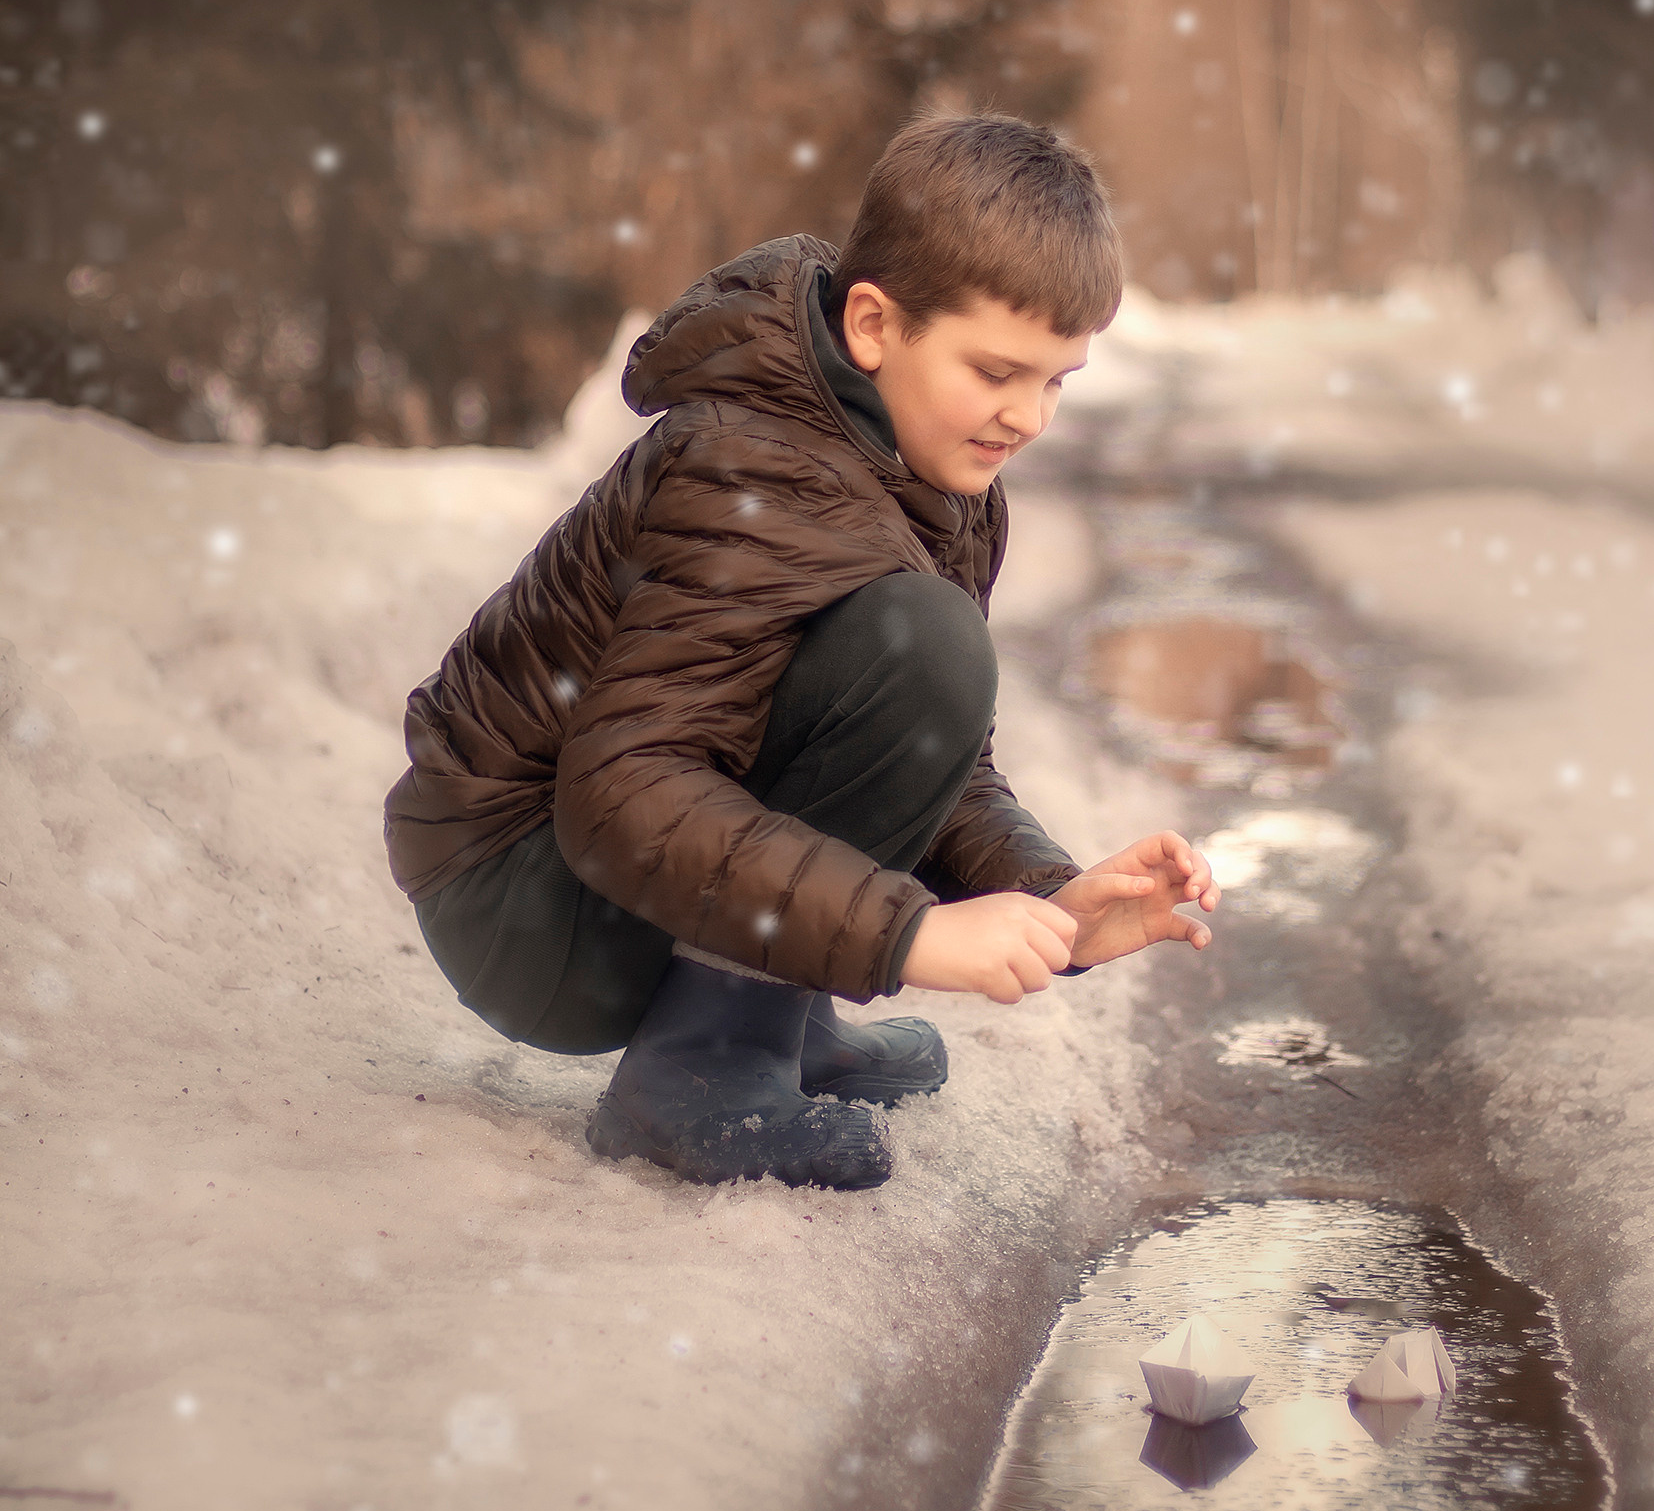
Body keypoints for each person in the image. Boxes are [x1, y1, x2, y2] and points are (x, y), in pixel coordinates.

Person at [384, 112, 1220, 1192]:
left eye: (1056, 380)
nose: (1027, 417)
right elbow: (622, 790)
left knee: (923, 653)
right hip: (515, 892)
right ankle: (701, 1065)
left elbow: (916, 741)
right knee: (925, 641)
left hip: (594, 872)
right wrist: (905, 934)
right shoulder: (752, 466)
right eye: (996, 371)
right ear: (872, 324)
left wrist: (1048, 893)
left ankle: (773, 1019)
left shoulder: (917, 457)